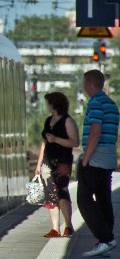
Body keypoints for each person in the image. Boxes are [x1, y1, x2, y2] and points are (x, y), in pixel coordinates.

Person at [78, 69, 120, 257]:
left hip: (95, 158)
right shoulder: (111, 104)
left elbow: (95, 131)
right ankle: (106, 239)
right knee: (104, 199)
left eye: (84, 83)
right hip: (109, 157)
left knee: (84, 200)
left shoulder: (95, 103)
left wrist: (85, 158)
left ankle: (106, 238)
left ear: (89, 84)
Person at [36, 91, 79, 237]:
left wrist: (56, 139)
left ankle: (68, 225)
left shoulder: (68, 121)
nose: (47, 105)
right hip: (48, 162)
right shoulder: (48, 121)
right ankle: (55, 228)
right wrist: (39, 163)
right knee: (50, 194)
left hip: (62, 161)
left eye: (48, 102)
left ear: (54, 104)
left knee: (62, 191)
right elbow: (44, 143)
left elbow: (75, 142)